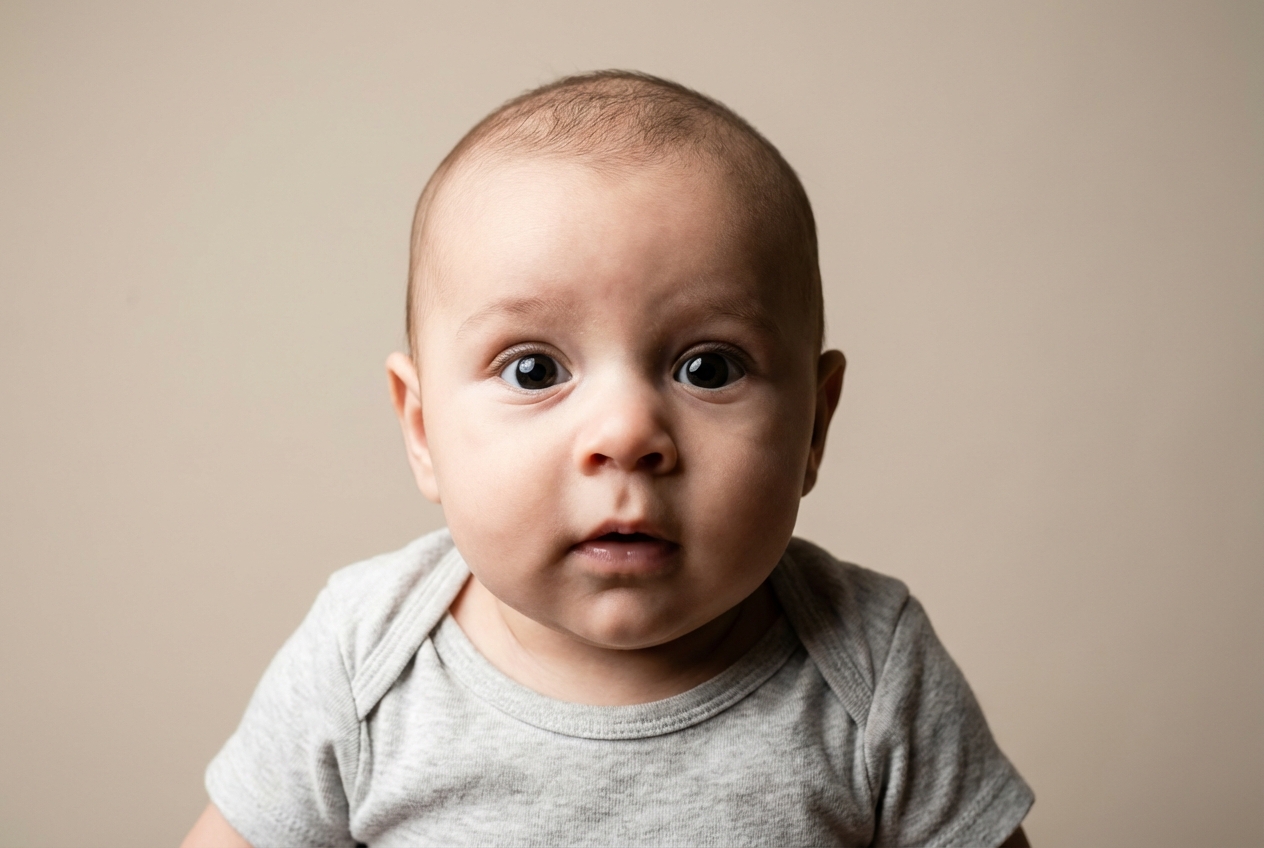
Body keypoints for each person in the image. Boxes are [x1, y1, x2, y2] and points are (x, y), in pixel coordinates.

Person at [182, 70, 1033, 847]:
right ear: (421, 429)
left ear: (814, 426)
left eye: (708, 367)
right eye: (535, 370)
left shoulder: (872, 670)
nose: (626, 434)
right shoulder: (364, 655)